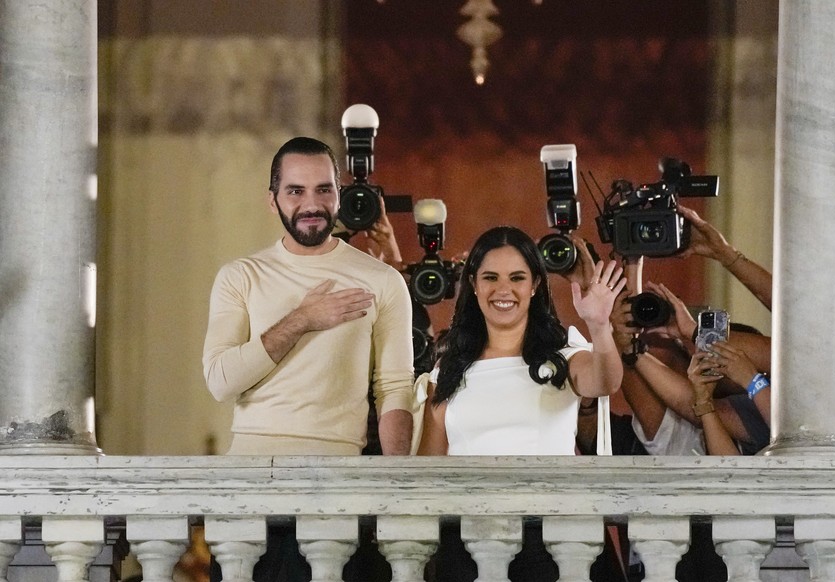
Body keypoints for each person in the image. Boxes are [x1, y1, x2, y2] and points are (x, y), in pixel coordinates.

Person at [202, 136, 413, 581]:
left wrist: (395, 486)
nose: (311, 204)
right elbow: (221, 381)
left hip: (339, 485)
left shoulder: (383, 280)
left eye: (323, 189)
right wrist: (301, 319)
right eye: (296, 191)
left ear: (339, 193)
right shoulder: (241, 276)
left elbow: (394, 390)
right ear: (273, 200)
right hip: (248, 487)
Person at [416, 226, 625, 582]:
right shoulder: (447, 369)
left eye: (517, 277)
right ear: (474, 284)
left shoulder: (563, 353)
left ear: (535, 286)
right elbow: (428, 470)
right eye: (490, 277)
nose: (503, 290)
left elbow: (606, 381)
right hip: (467, 542)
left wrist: (599, 326)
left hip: (550, 540)